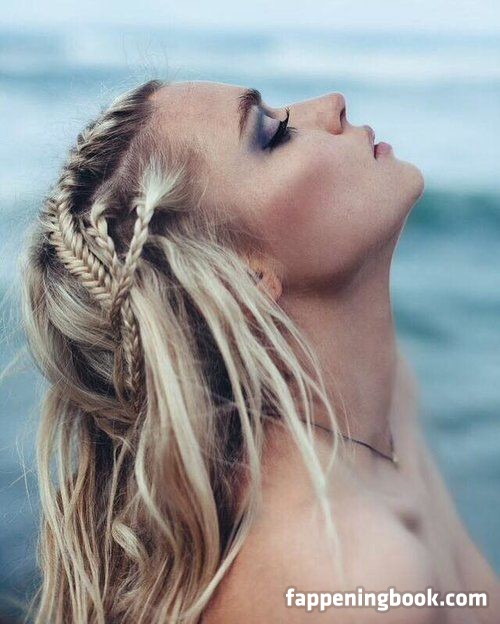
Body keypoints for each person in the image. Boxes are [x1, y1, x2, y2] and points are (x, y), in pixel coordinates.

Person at [22, 79, 499, 623]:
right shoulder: (354, 578)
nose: (332, 104)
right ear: (242, 278)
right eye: (274, 134)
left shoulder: (380, 427)